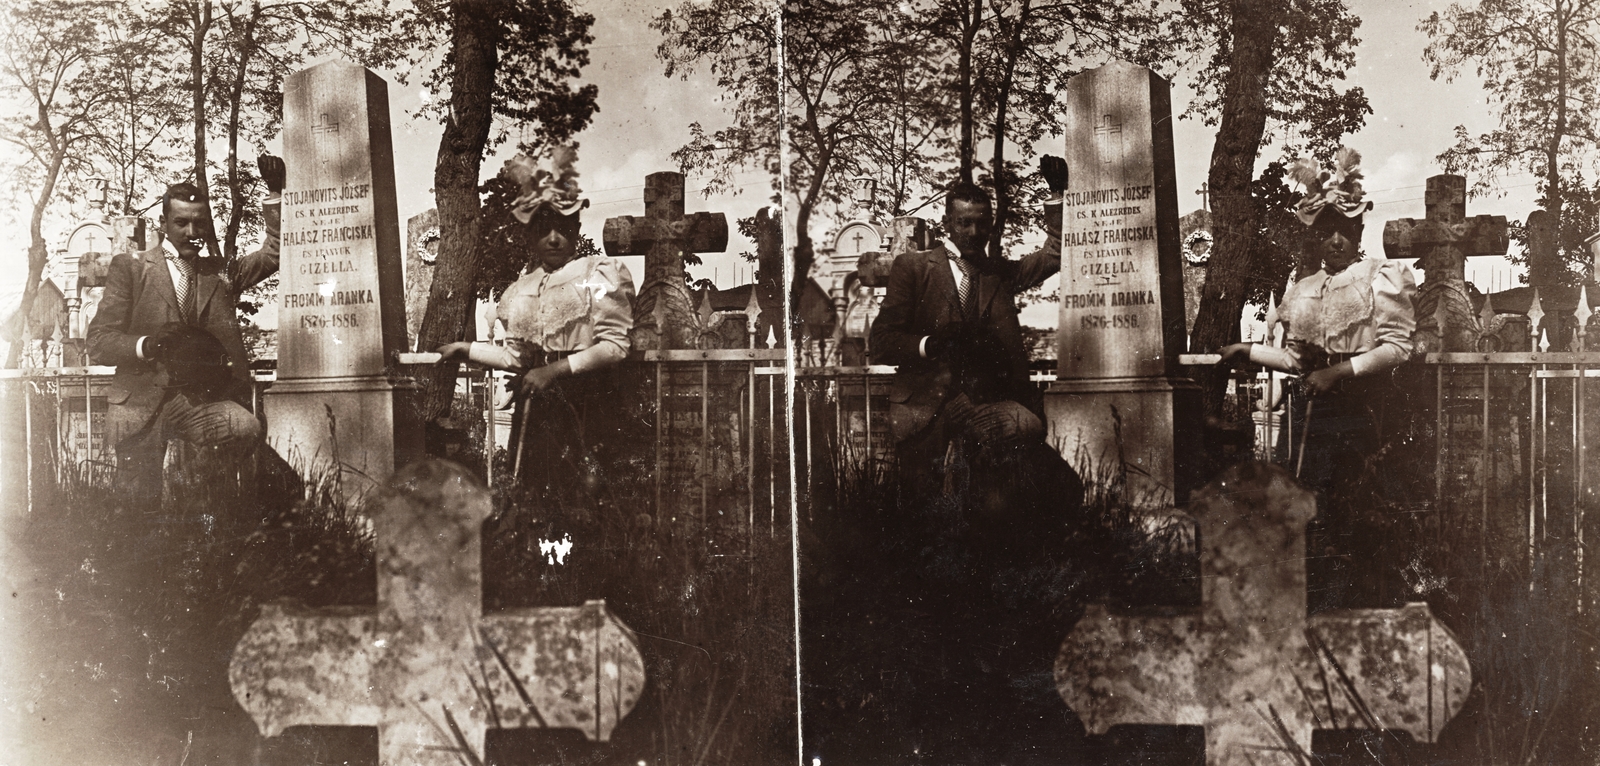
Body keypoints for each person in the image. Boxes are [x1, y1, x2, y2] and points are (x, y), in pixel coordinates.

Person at [867, 158, 1085, 762]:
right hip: (929, 414)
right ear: (946, 221)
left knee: (991, 525)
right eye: (963, 223)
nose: (972, 233)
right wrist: (932, 343)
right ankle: (921, 656)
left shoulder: (995, 271)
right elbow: (882, 340)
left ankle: (986, 650)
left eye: (981, 224)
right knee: (923, 527)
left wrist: (1059, 195)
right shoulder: (916, 268)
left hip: (987, 414)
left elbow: (1054, 253)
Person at [1219, 146, 1418, 610]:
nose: (1335, 241)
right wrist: (1248, 350)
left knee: (1361, 507)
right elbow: (1295, 361)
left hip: (1366, 405)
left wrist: (1338, 371)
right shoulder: (1304, 288)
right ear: (1315, 236)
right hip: (1315, 410)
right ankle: (1313, 604)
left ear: (1358, 231)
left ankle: (1368, 604)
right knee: (1307, 506)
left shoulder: (1379, 277)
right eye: (1326, 232)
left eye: (1344, 231)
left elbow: (1398, 347)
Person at [436, 149, 636, 498]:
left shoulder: (596, 274)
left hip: (588, 398)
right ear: (531, 236)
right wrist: (465, 349)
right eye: (544, 230)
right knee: (536, 495)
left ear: (575, 230)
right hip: (540, 405)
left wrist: (552, 371)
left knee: (585, 495)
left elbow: (615, 347)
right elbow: (516, 358)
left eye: (563, 229)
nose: (554, 238)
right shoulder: (522, 289)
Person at [87, 158, 283, 473]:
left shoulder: (219, 273)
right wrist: (147, 344)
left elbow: (273, 252)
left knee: (244, 427)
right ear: (163, 223)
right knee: (137, 505)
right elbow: (98, 342)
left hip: (202, 403)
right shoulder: (131, 268)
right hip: (141, 403)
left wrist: (274, 193)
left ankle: (198, 503)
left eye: (200, 223)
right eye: (181, 223)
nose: (193, 232)